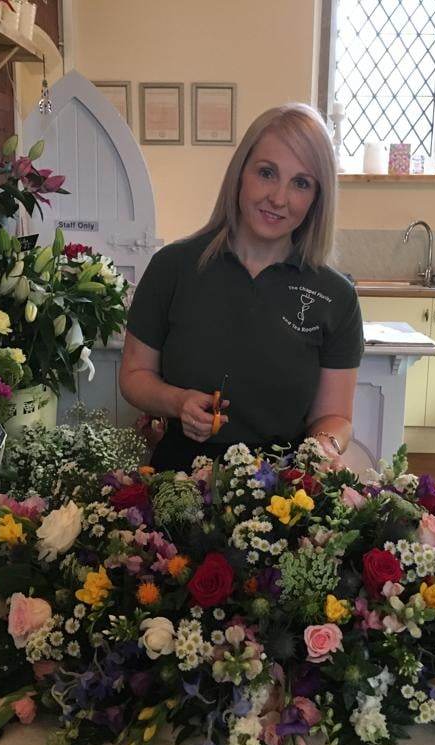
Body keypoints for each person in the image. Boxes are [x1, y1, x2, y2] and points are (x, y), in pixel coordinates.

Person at [119, 103, 363, 472]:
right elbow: (134, 376)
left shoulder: (337, 296)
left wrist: (324, 446)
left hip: (285, 485)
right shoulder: (173, 267)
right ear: (240, 174)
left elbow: (335, 415)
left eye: (301, 183)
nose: (278, 198)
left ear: (318, 197)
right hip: (179, 478)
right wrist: (178, 401)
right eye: (267, 173)